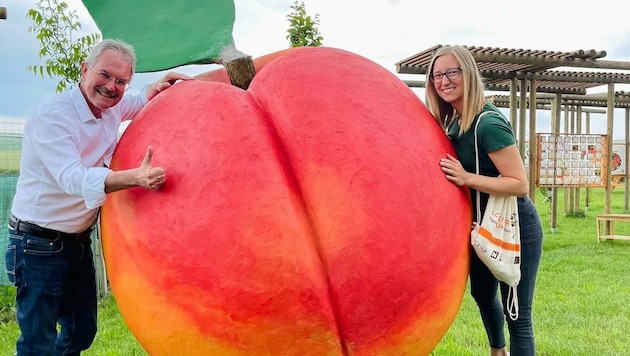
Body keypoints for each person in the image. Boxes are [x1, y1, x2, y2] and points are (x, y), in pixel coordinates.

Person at [4, 38, 192, 355]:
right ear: (85, 69)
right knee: (38, 339)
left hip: (76, 241)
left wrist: (158, 87)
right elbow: (72, 178)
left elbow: (137, 101)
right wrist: (135, 177)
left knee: (81, 330)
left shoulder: (111, 108)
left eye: (121, 81)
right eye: (104, 75)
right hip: (36, 244)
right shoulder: (54, 117)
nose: (111, 86)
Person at [426, 45, 544, 356]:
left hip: (513, 225)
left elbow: (519, 184)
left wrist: (467, 178)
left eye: (452, 72)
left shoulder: (487, 123)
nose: (444, 81)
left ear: (469, 74)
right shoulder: (454, 122)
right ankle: (497, 351)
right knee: (481, 293)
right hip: (480, 225)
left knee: (516, 312)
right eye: (437, 75)